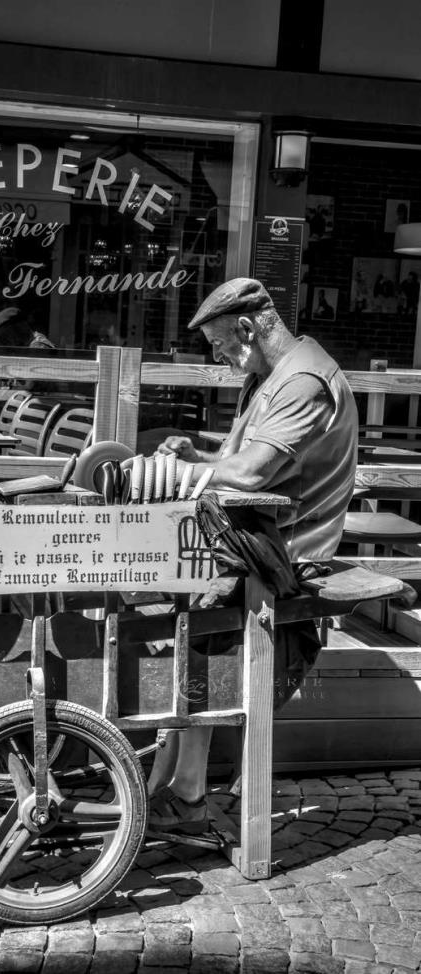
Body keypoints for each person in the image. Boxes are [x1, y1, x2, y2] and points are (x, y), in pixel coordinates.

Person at [146, 277, 359, 831]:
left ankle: (187, 786)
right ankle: (166, 773)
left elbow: (253, 474)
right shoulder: (266, 377)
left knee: (208, 615)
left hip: (287, 556)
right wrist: (199, 453)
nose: (216, 355)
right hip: (251, 540)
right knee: (186, 609)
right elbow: (236, 459)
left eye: (219, 342)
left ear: (246, 328)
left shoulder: (305, 381)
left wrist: (170, 472)